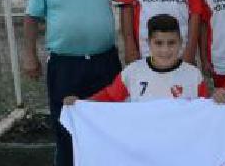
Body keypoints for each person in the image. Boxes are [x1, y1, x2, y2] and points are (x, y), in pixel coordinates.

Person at [22, 0, 123, 166]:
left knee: (108, 119)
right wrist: (29, 56)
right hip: (65, 63)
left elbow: (129, 4)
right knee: (65, 119)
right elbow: (31, 18)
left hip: (105, 61)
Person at [64, 14, 206, 103]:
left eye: (171, 43)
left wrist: (218, 99)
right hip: (142, 148)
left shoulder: (193, 75)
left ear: (180, 42)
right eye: (159, 43)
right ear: (148, 42)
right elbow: (109, 97)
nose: (165, 50)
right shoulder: (132, 72)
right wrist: (81, 104)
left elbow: (206, 111)